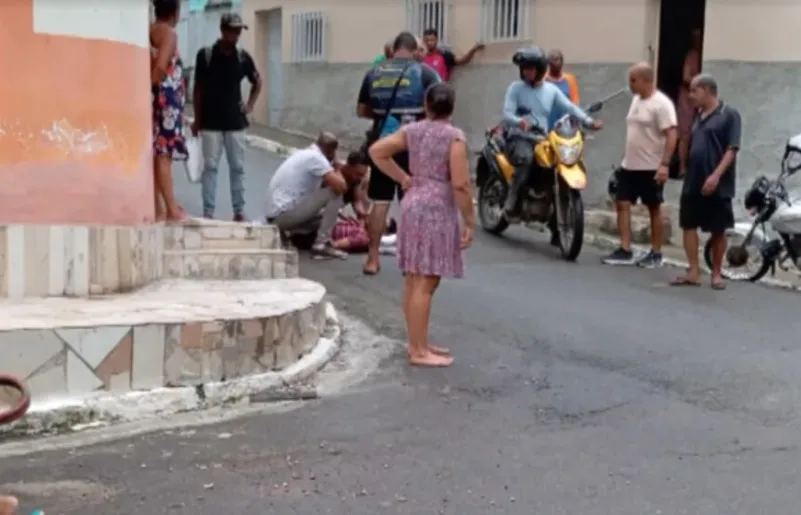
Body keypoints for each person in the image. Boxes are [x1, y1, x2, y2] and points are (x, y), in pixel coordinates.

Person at [369, 83, 473, 367]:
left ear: (426, 106)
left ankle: (418, 343)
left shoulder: (411, 131)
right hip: (436, 209)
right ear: (451, 108)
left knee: (414, 278)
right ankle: (418, 351)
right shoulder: (454, 137)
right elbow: (461, 184)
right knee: (427, 281)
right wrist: (469, 220)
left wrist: (403, 178)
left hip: (413, 202)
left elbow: (377, 150)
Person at [356, 31, 441, 275]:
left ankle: (372, 259)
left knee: (380, 202)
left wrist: (383, 116)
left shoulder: (373, 73)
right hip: (413, 147)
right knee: (411, 203)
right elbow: (439, 108)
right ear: (414, 50)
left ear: (393, 50)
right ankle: (410, 260)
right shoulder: (425, 73)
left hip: (382, 147)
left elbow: (361, 110)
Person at [502, 46, 602, 242]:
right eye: (524, 68)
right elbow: (507, 114)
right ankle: (512, 201)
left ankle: (555, 223)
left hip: (542, 138)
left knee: (558, 165)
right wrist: (520, 122)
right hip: (519, 137)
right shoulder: (515, 88)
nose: (526, 72)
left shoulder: (551, 90)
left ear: (540, 69)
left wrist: (589, 122)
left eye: (530, 68)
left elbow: (570, 107)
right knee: (526, 159)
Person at [603, 62, 678, 267]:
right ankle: (625, 249)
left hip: (651, 166)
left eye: (633, 80)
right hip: (629, 165)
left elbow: (672, 134)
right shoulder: (636, 100)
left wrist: (664, 164)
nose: (630, 84)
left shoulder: (661, 104)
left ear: (646, 80)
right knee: (622, 203)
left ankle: (656, 252)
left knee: (653, 207)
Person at [671, 74, 741, 290]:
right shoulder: (698, 116)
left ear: (707, 90)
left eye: (694, 91)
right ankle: (693, 270)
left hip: (717, 182)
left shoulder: (729, 114)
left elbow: (732, 149)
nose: (690, 96)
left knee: (718, 229)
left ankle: (716, 273)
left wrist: (716, 175)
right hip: (694, 179)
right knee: (688, 224)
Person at [192, 13, 262, 221]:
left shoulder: (243, 57)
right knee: (210, 168)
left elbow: (257, 81)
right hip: (210, 122)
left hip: (235, 123)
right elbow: (198, 90)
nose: (237, 35)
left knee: (237, 168)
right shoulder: (205, 55)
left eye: (239, 31)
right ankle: (208, 211)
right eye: (233, 31)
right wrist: (197, 120)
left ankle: (238, 211)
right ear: (223, 30)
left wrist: (249, 106)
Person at [265, 134, 367, 259]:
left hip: (276, 216)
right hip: (281, 217)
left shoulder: (306, 153)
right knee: (334, 192)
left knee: (330, 218)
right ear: (331, 151)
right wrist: (336, 164)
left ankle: (292, 236)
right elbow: (341, 187)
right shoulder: (317, 158)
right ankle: (321, 245)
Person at [150, 0, 188, 222]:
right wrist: (152, 87)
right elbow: (161, 66)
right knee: (165, 155)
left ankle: (161, 207)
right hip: (167, 103)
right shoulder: (169, 34)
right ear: (175, 11)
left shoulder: (151, 30)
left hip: (160, 101)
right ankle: (172, 210)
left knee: (158, 155)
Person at [677, 29, 702, 177]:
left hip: (700, 97)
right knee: (685, 133)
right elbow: (685, 77)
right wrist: (699, 81)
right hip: (687, 98)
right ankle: (682, 168)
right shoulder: (692, 56)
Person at [545, 49, 580, 129]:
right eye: (553, 61)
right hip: (548, 124)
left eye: (558, 60)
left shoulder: (570, 79)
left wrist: (575, 122)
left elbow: (575, 102)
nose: (556, 64)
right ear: (549, 64)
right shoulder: (543, 80)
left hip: (566, 124)